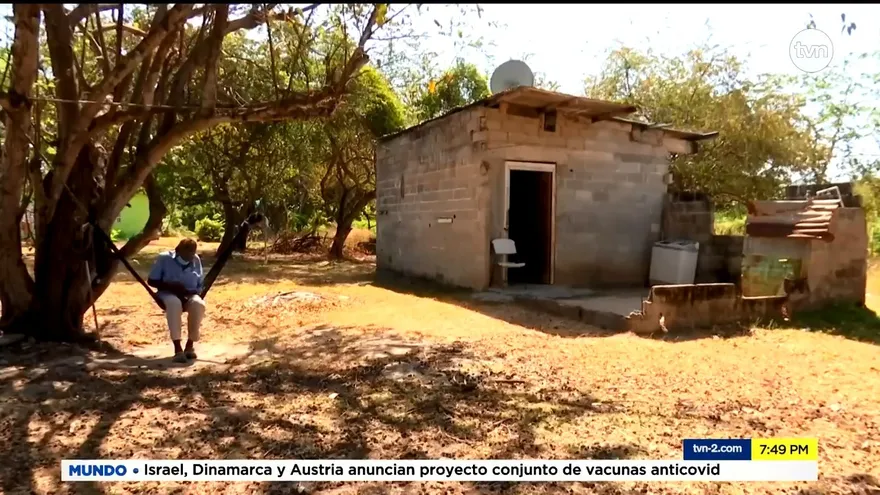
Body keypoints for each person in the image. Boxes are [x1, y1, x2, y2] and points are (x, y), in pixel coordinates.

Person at [147, 238, 206, 363]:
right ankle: (177, 348)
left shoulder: (196, 260)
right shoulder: (164, 258)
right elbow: (151, 280)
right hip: (168, 293)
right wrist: (171, 286)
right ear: (177, 250)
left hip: (189, 295)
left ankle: (190, 345)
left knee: (199, 304)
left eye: (192, 253)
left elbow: (200, 284)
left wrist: (191, 293)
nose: (189, 257)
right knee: (174, 304)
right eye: (186, 254)